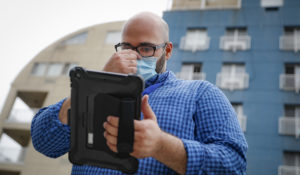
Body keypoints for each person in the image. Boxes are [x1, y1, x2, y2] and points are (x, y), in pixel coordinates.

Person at [31, 12, 248, 175]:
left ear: (168, 50)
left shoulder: (200, 94)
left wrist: (161, 146)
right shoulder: (91, 92)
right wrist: (98, 83)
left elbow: (233, 165)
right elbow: (43, 141)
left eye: (145, 48)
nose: (134, 56)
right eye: (126, 47)